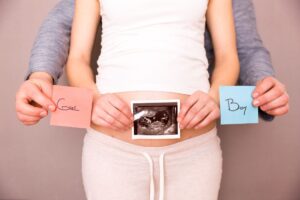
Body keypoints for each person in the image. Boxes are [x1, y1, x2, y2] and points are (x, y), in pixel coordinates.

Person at [14, 1, 289, 200]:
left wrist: (216, 97)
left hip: (194, 154)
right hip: (112, 154)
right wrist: (90, 97)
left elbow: (235, 53)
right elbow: (75, 53)